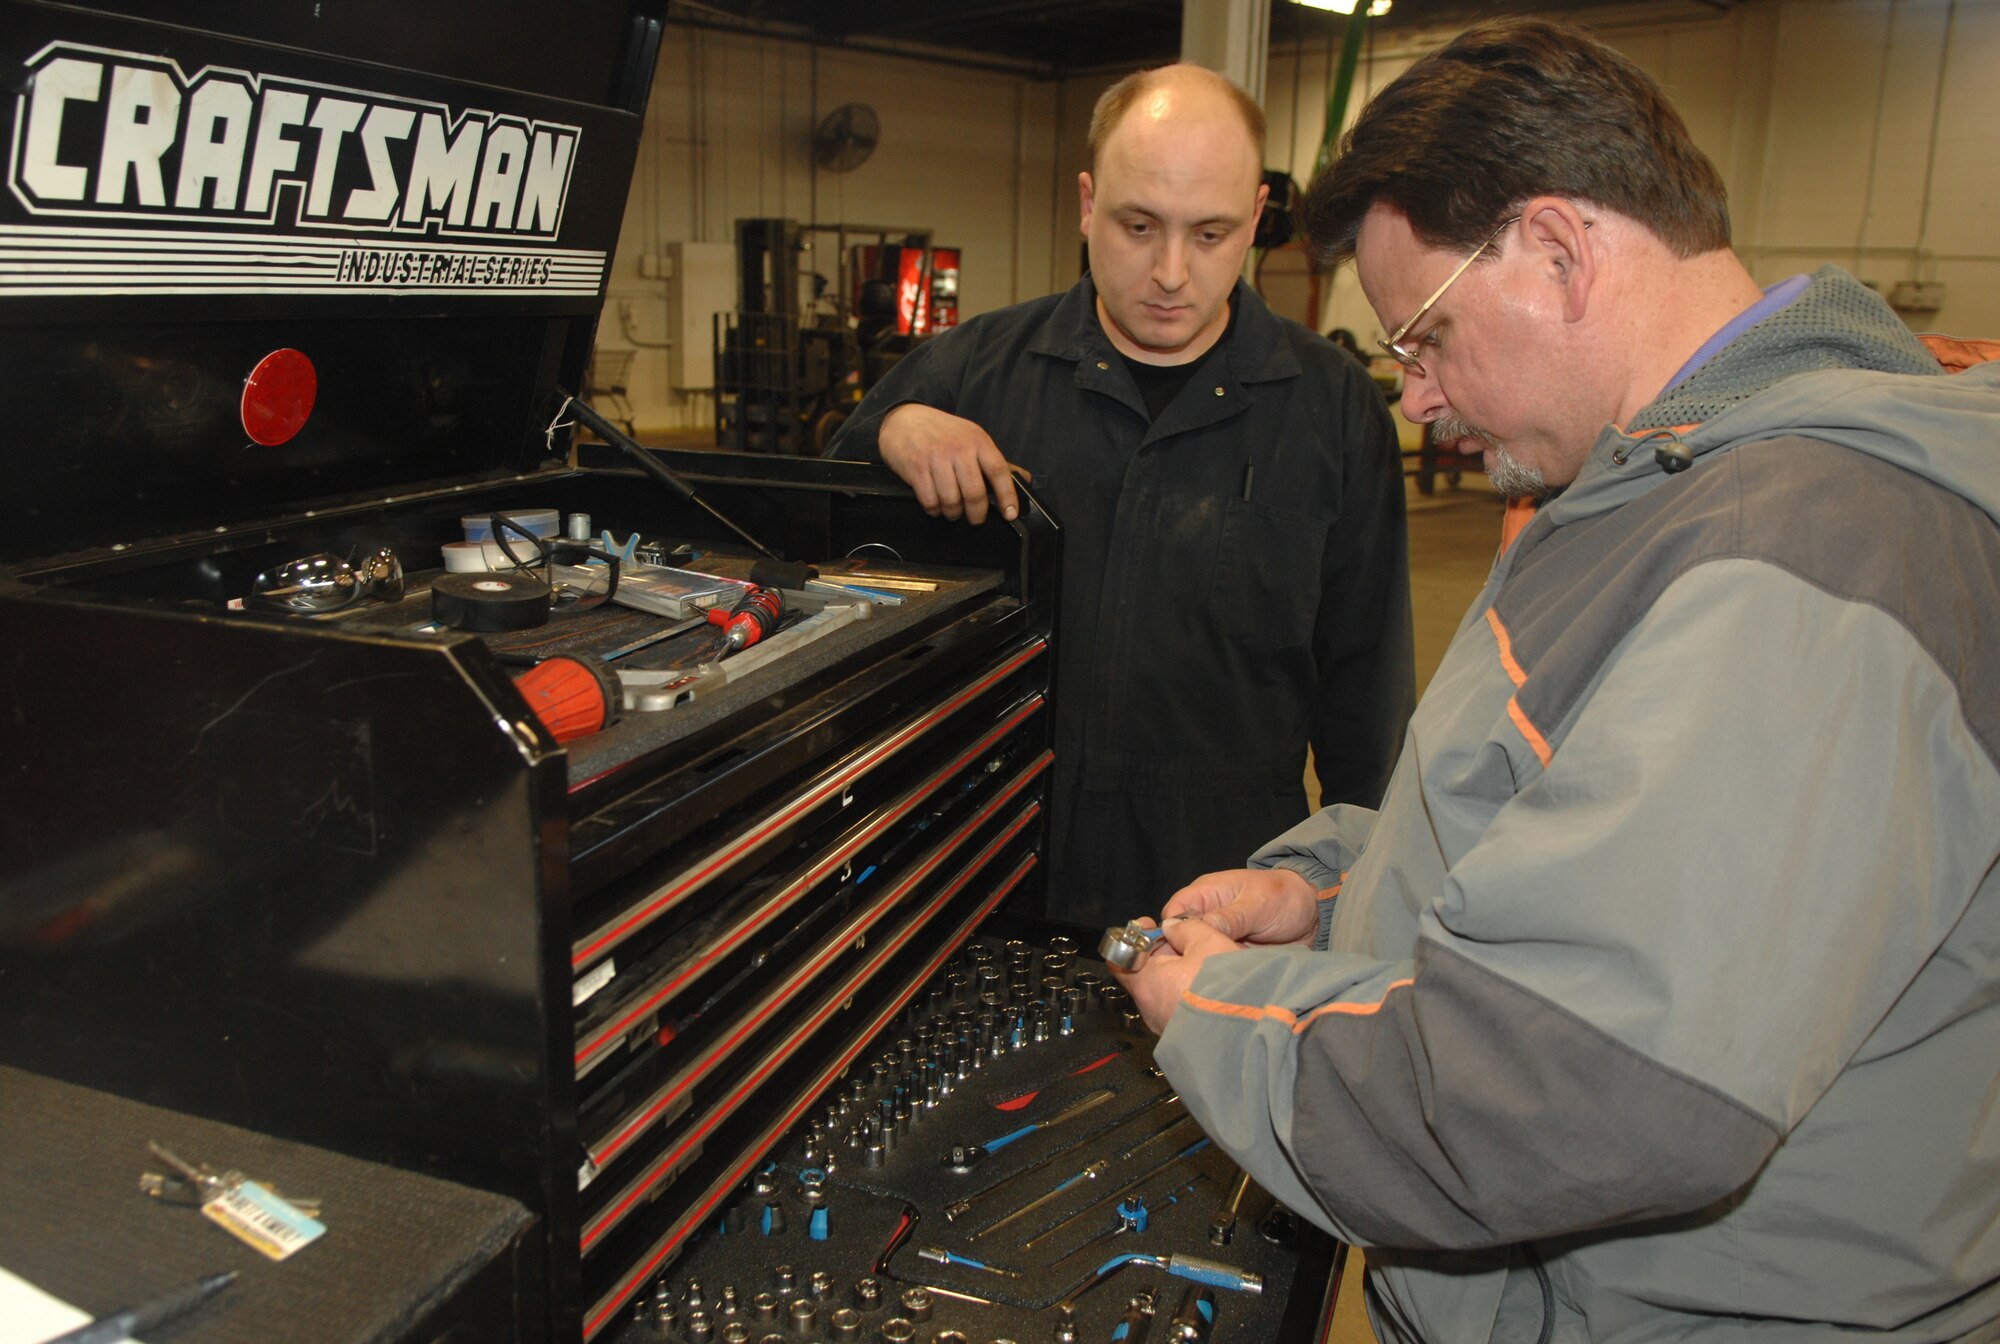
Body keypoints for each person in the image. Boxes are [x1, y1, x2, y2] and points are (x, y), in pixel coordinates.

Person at [1115, 19, 2000, 1343]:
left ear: (1559, 251)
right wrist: (1341, 898)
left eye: (1425, 335)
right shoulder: (1651, 491)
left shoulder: (1802, 555)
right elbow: (1591, 839)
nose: (1414, 398)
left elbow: (1584, 1084)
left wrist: (1223, 1011)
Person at [827, 65, 1414, 928]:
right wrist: (889, 431)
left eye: (1211, 234)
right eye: (1138, 226)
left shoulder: (1332, 409)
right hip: (990, 891)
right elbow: (805, 541)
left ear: (1255, 218)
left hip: (1220, 908)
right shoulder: (972, 372)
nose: (1171, 272)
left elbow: (1368, 706)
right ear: (1086, 203)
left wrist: (1356, 906)